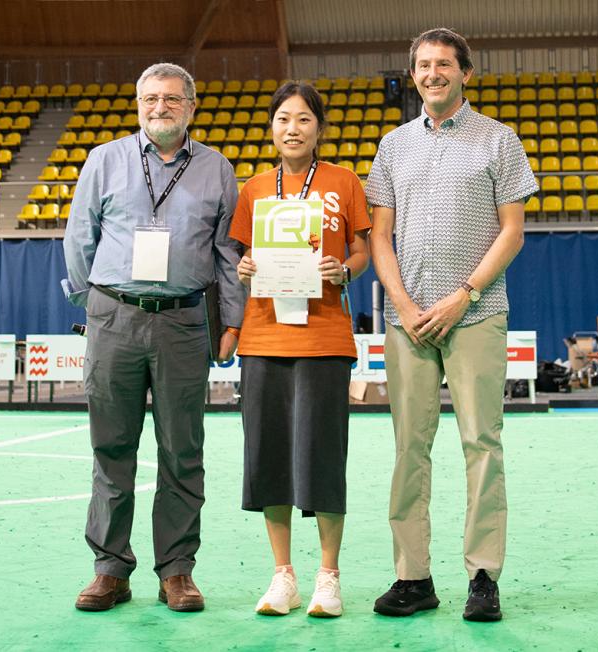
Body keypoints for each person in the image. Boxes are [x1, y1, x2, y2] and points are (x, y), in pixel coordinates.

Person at [366, 28, 538, 622]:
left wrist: (464, 296)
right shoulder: (392, 146)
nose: (432, 73)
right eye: (422, 64)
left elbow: (512, 231)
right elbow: (380, 235)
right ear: (412, 74)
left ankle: (483, 576)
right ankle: (412, 578)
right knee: (408, 450)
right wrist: (405, 305)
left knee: (480, 445)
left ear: (467, 72)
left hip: (477, 315)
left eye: (443, 64)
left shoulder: (500, 140)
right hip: (407, 321)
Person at [63, 62, 245, 613]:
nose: (158, 107)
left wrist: (230, 323)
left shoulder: (217, 169)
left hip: (185, 322)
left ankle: (177, 571)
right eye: (149, 99)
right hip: (113, 317)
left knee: (182, 452)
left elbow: (227, 256)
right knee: (111, 447)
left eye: (170, 99)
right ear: (138, 105)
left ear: (191, 107)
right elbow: (79, 234)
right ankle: (109, 569)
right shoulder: (105, 160)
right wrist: (91, 300)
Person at [230, 82, 370, 618]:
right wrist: (245, 270)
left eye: (304, 120)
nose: (293, 128)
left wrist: (345, 269)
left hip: (324, 338)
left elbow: (360, 250)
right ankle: (282, 576)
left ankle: (328, 578)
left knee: (321, 458)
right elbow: (244, 259)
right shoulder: (254, 189)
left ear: (319, 128)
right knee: (268, 458)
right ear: (272, 127)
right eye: (284, 118)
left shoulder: (343, 182)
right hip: (263, 337)